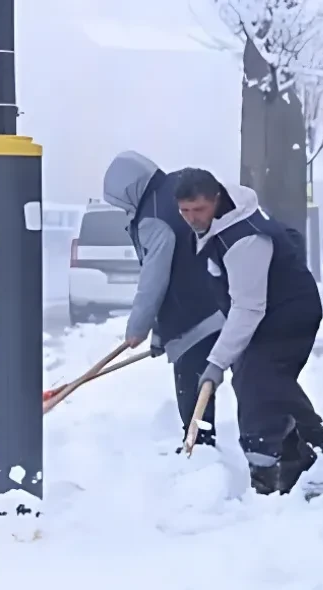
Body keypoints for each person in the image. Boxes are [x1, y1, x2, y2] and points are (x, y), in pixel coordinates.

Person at [173, 168, 323, 496]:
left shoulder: (244, 237)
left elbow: (248, 307)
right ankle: (303, 445)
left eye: (198, 210)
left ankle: (270, 471)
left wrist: (216, 363)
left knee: (256, 382)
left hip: (289, 314)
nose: (191, 218)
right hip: (264, 311)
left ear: (216, 199)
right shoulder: (216, 224)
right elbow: (231, 293)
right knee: (264, 379)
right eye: (184, 211)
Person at [102, 151, 225, 450]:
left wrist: (138, 327)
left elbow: (155, 279)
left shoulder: (152, 218)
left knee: (193, 387)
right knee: (249, 383)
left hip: (197, 318)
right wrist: (160, 333)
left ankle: (200, 446)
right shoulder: (170, 192)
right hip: (220, 304)